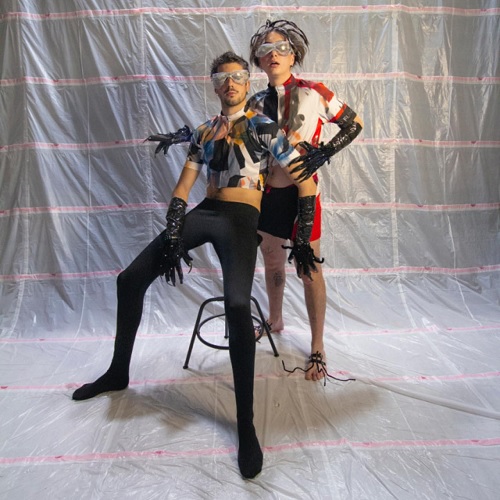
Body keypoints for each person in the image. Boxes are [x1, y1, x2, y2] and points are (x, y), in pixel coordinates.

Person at [72, 51, 320, 479]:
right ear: (214, 85)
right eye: (222, 78)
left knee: (238, 306)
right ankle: (117, 372)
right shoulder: (205, 131)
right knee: (129, 279)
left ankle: (246, 425)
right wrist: (173, 228)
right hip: (206, 212)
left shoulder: (265, 127)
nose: (230, 84)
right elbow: (184, 185)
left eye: (237, 77)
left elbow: (306, 181)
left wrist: (300, 238)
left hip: (242, 218)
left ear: (247, 82)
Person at [247, 19, 364, 382]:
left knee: (308, 268)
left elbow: (354, 123)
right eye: (265, 49)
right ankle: (275, 319)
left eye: (281, 48)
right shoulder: (254, 102)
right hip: (267, 194)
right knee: (271, 259)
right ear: (258, 60)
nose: (274, 54)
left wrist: (324, 151)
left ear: (293, 55)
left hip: (303, 195)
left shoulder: (315, 92)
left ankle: (317, 345)